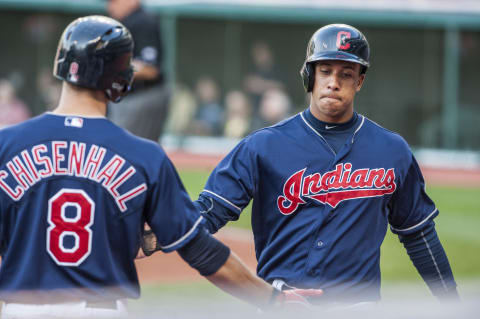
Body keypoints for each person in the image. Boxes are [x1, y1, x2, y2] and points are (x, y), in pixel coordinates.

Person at [0, 16, 322, 319]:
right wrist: (273, 299)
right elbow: (200, 250)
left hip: (18, 309)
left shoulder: (6, 145)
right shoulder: (143, 156)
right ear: (120, 78)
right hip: (99, 310)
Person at [188, 24, 459, 305]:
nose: (334, 82)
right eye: (326, 71)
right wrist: (157, 231)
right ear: (310, 75)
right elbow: (207, 213)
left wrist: (454, 305)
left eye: (346, 74)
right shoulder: (263, 146)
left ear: (360, 81)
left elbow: (419, 235)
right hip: (283, 306)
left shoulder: (392, 150)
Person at [106, 0, 170, 142]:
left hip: (143, 96)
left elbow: (150, 69)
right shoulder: (123, 23)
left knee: (130, 148)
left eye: (114, 2)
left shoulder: (143, 21)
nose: (110, 6)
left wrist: (113, 70)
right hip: (126, 97)